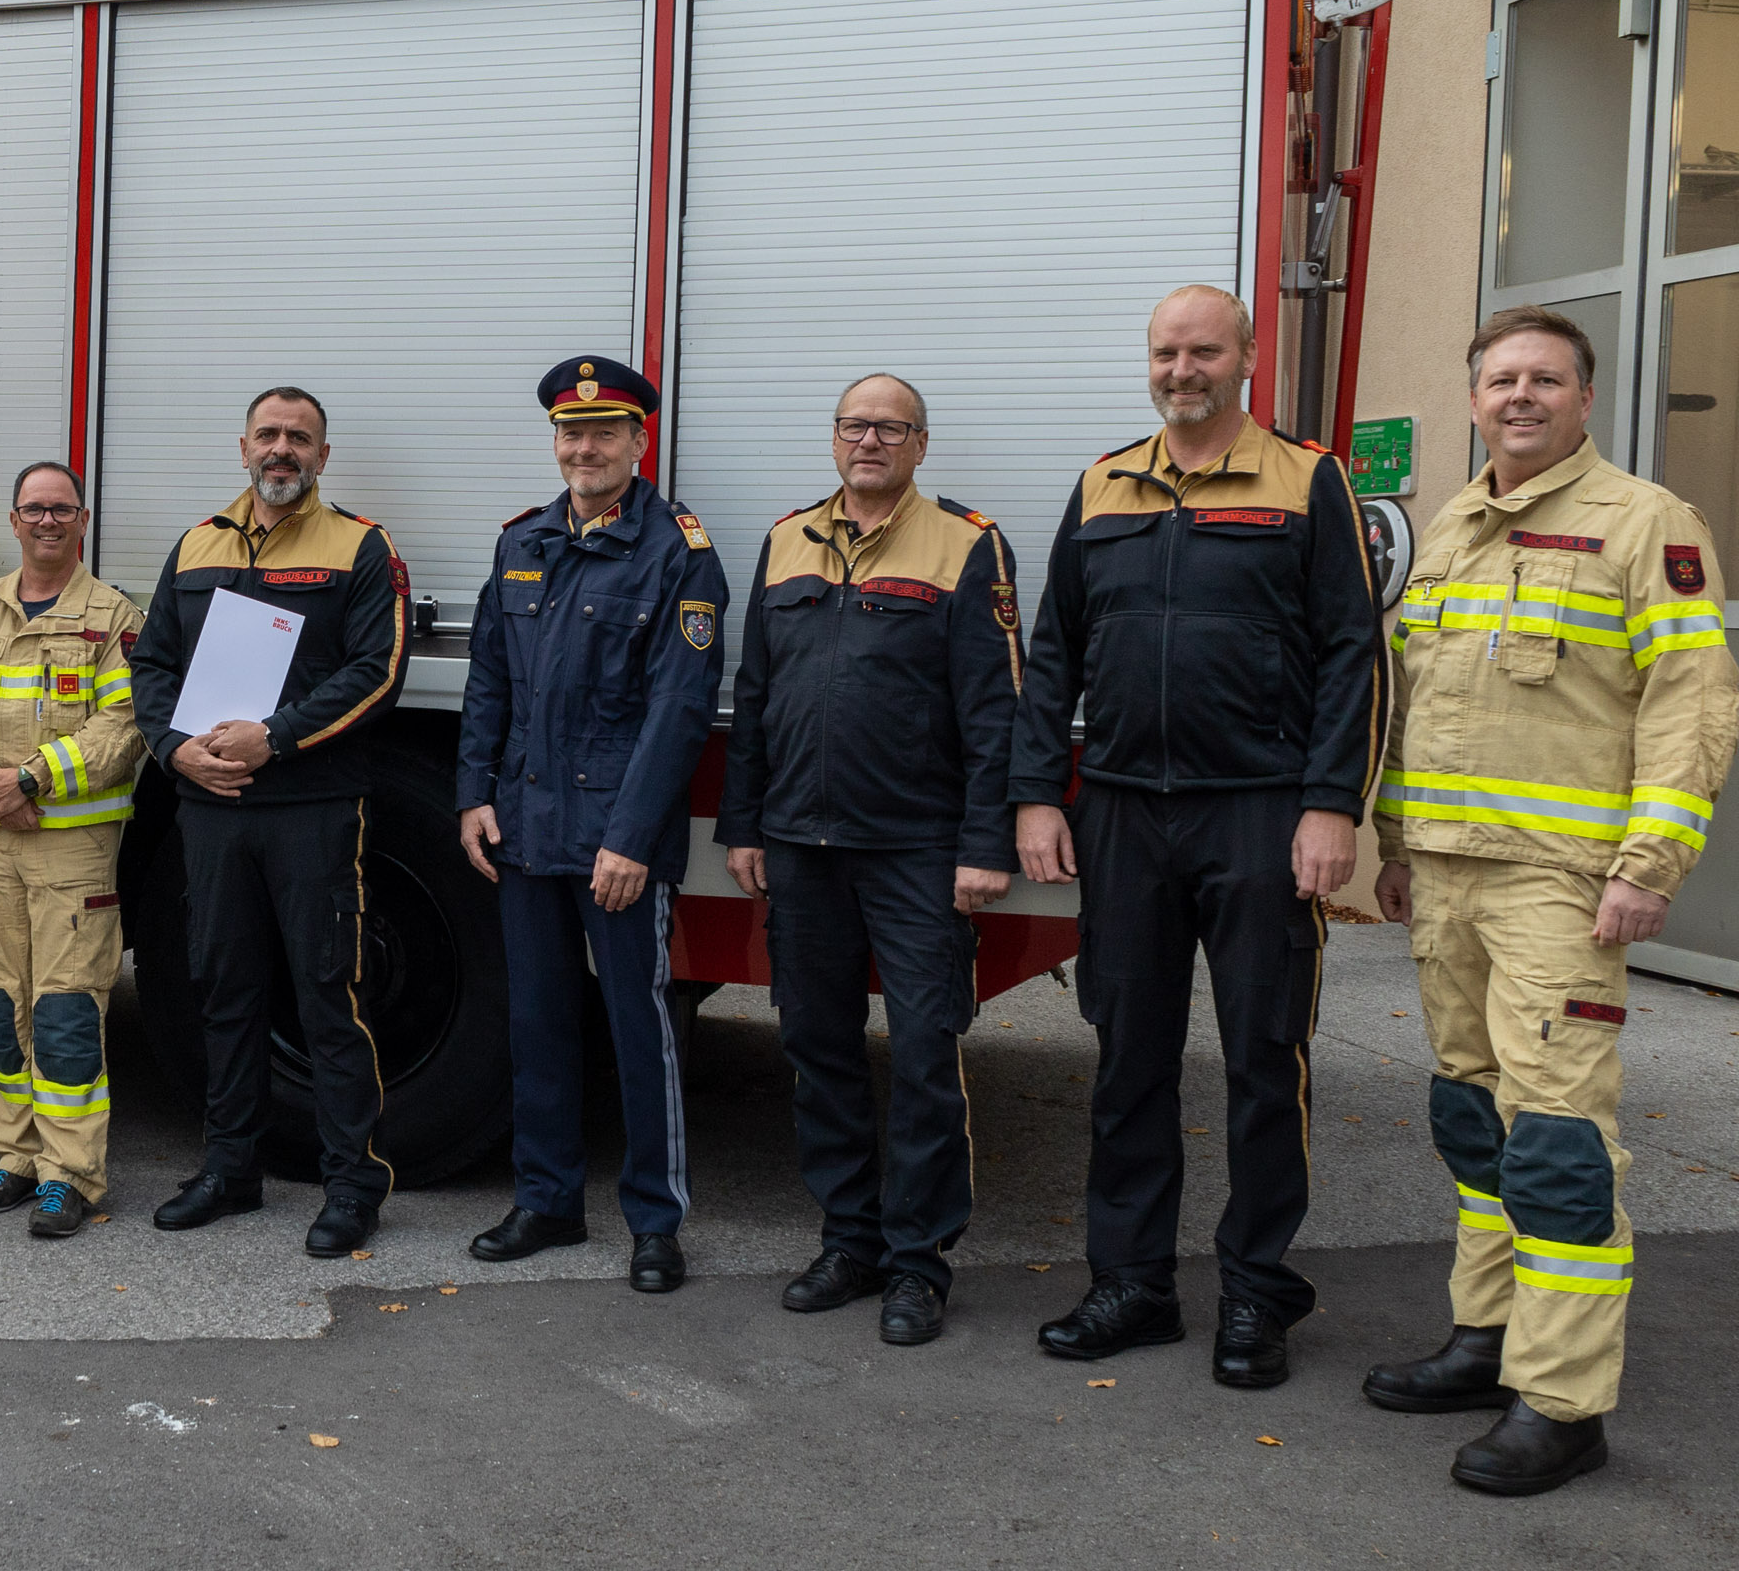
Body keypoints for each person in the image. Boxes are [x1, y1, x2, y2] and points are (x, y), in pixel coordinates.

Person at [1362, 306, 1737, 1495]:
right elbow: (1417, 702)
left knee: (1560, 1139)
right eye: (1501, 378)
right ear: (1474, 398)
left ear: (1584, 396)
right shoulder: (1451, 527)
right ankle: (1486, 1337)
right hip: (1448, 874)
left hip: (1559, 884)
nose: (1520, 395)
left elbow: (1692, 701)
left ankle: (1564, 1401)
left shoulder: (1647, 521)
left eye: (1545, 378)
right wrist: (1396, 840)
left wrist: (1647, 863)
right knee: (1474, 1122)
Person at [1011, 285, 1384, 1386]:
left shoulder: (1309, 480)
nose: (1184, 369)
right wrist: (1037, 794)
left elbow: (1353, 652)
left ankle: (1258, 1294)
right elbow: (1054, 650)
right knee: (1129, 1058)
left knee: (1266, 1058)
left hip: (1260, 810)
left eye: (1205, 350)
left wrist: (1332, 803)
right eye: (1167, 352)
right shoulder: (1103, 484)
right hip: (1124, 811)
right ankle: (1132, 1285)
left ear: (1247, 358)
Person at [717, 374, 1022, 1344]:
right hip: (801, 846)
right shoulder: (786, 540)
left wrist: (984, 843)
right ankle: (848, 1240)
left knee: (927, 1053)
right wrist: (743, 823)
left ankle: (918, 1264)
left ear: (921, 444)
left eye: (892, 427)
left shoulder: (967, 544)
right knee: (818, 1048)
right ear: (834, 437)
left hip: (918, 849)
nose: (871, 441)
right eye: (856, 425)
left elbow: (995, 709)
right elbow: (755, 695)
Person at [457, 358, 727, 1295]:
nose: (585, 448)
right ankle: (548, 1203)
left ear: (638, 442)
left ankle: (655, 1222)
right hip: (525, 828)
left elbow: (679, 711)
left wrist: (632, 839)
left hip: (615, 839)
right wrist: (473, 795)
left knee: (636, 1029)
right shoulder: (522, 542)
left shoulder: (679, 552)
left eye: (605, 432)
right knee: (536, 1022)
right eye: (571, 433)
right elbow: (489, 680)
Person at [129, 386, 409, 1257]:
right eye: (268, 434)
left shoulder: (360, 546)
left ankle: (352, 1183)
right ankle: (230, 1170)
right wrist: (174, 749)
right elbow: (152, 665)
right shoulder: (196, 544)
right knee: (225, 990)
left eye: (299, 437)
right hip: (211, 809)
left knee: (328, 995)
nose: (282, 449)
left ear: (323, 456)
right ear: (243, 446)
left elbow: (377, 671)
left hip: (311, 810)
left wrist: (273, 738)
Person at [0, 463, 146, 1238]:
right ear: (14, 521)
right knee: (0, 1006)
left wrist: (30, 779)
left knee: (66, 1012)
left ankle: (70, 1175)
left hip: (73, 851)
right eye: (34, 509)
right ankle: (17, 1158)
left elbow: (124, 728)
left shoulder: (113, 617)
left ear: (82, 521)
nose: (47, 521)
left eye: (61, 509)